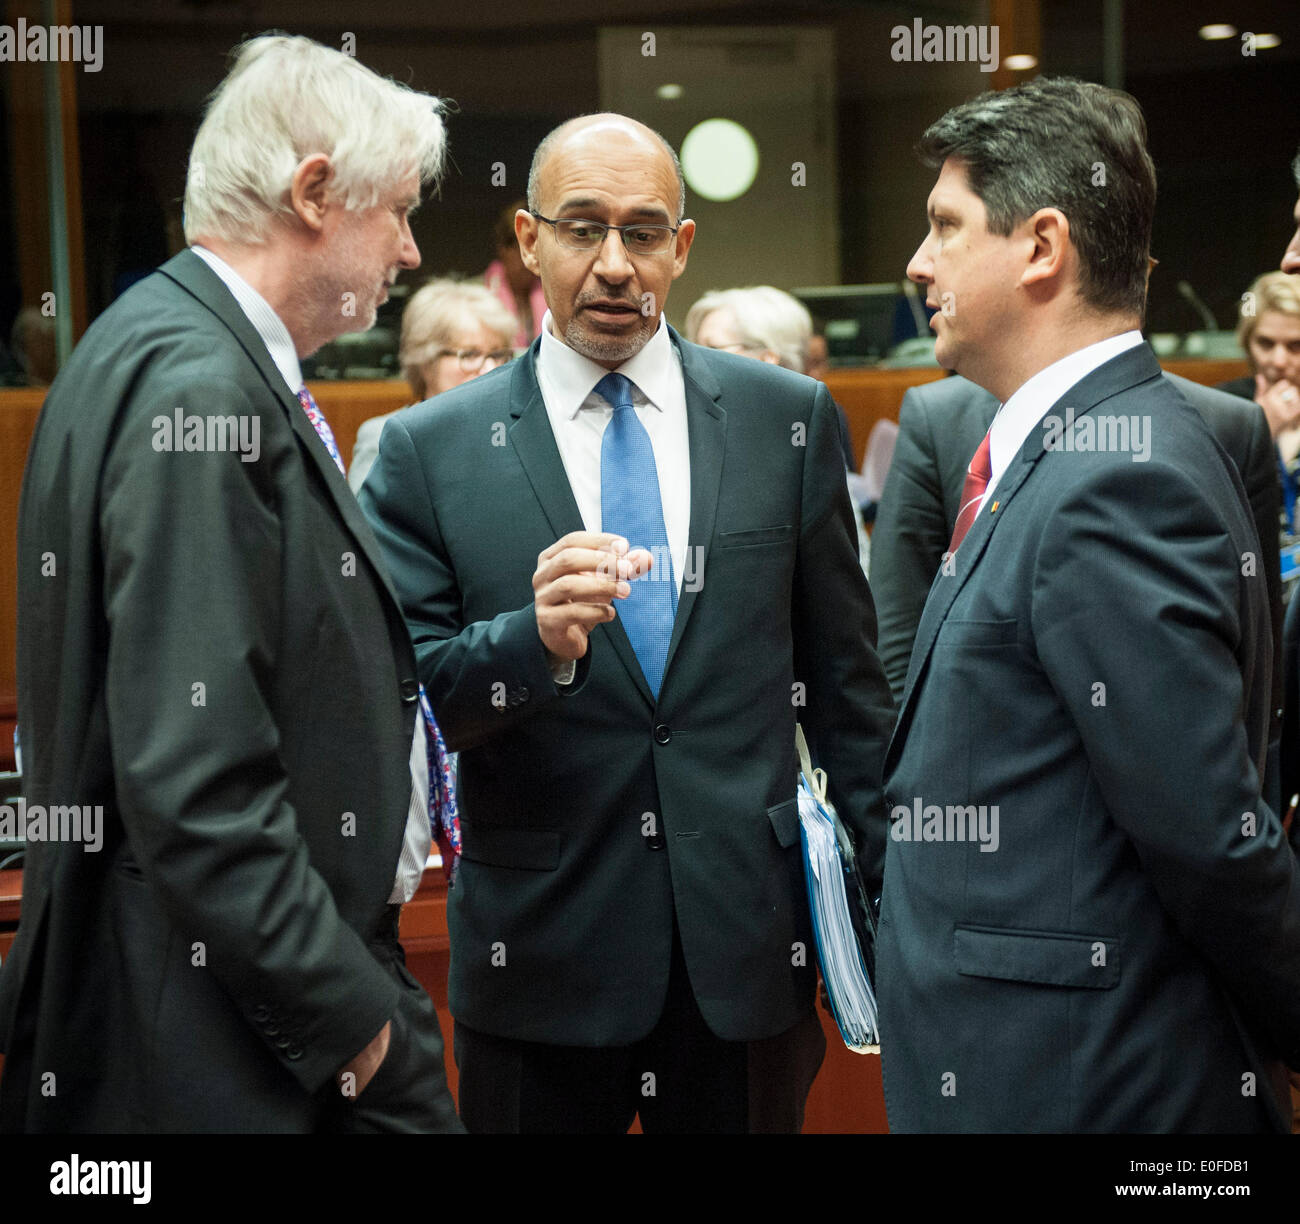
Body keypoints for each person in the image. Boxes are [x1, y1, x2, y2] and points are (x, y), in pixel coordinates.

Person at [360, 113, 895, 1133]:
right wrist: (532, 642)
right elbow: (410, 704)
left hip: (742, 960)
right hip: (542, 967)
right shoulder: (429, 451)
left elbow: (846, 696)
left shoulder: (784, 419)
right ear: (528, 241)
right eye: (581, 228)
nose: (614, 264)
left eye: (644, 233)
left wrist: (890, 912)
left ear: (681, 248)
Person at [0, 35, 462, 1134]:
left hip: (205, 1021)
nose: (407, 249)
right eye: (396, 209)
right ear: (314, 193)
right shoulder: (198, 382)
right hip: (227, 1049)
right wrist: (362, 1037)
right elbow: (199, 787)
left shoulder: (153, 344)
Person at [879, 76, 1300, 1132]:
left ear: (1041, 248)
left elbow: (1207, 837)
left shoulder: (1119, 475)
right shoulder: (1061, 451)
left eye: (944, 226)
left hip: (1088, 1088)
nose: (918, 263)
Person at [871, 370, 1284, 815]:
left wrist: (1246, 823)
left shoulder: (1228, 424)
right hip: (972, 810)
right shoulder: (941, 417)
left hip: (1177, 814)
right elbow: (898, 642)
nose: (936, 295)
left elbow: (1259, 654)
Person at [349, 278, 517, 491]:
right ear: (426, 361)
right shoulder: (382, 438)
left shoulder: (508, 433)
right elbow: (364, 523)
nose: (491, 368)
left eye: (498, 354)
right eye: (471, 354)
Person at [684, 286, 857, 471]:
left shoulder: (812, 422)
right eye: (693, 350)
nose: (694, 362)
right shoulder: (689, 418)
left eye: (712, 349)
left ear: (767, 360)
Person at [484, 197, 546, 348]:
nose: (531, 257)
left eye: (538, 249)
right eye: (523, 248)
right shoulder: (476, 296)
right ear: (503, 249)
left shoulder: (553, 294)